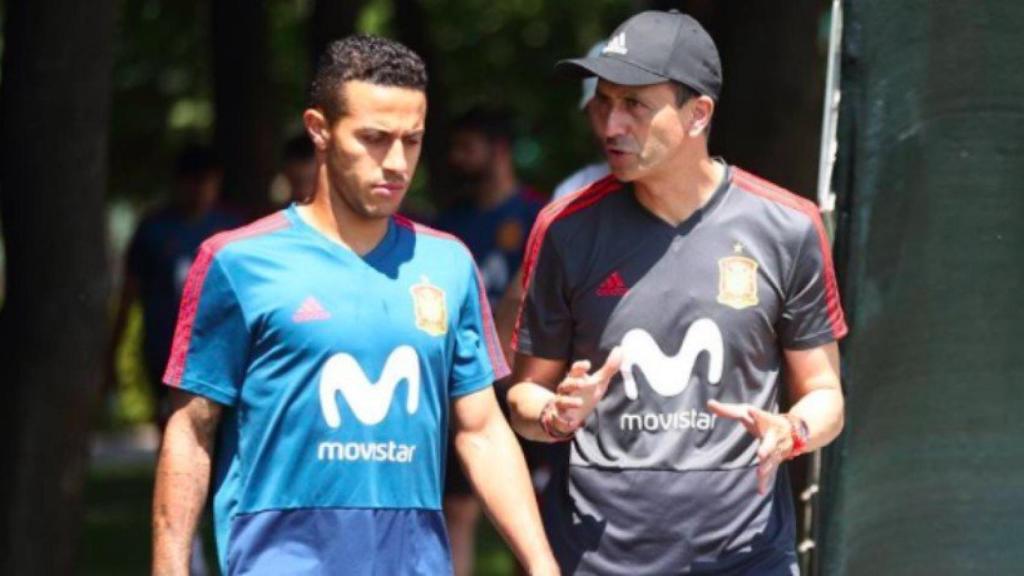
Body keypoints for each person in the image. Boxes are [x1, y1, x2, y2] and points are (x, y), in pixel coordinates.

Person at [152, 35, 557, 575]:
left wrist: (542, 565)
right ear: (319, 129)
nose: (396, 162)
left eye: (411, 141)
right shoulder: (238, 262)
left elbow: (480, 429)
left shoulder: (448, 265)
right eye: (373, 138)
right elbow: (192, 429)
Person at [507, 10, 847, 575]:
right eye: (604, 102)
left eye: (635, 105)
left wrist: (793, 429)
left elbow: (825, 395)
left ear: (698, 114)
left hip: (748, 559)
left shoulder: (789, 226)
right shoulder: (564, 229)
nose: (610, 124)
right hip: (598, 561)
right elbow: (523, 397)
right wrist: (555, 415)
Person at [433, 107, 545, 576]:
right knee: (456, 508)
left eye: (467, 148)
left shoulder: (538, 214)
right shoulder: (449, 222)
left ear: (498, 150)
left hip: (525, 379)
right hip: (464, 378)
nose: (457, 159)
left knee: (533, 511)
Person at [109, 144, 240, 428]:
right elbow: (129, 292)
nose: (201, 191)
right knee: (172, 425)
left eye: (208, 183)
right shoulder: (154, 230)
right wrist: (114, 349)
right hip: (164, 347)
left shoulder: (231, 228)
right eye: (194, 183)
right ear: (180, 184)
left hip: (218, 346)